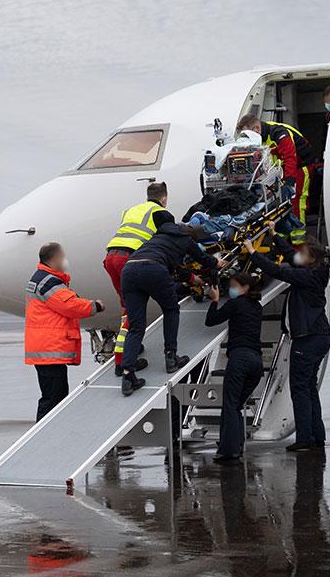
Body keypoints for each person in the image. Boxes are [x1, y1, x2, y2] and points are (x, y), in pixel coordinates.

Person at [243, 231, 330, 451]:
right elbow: (291, 257)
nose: (299, 255)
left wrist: (253, 252)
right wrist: (275, 235)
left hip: (307, 340)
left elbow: (277, 270)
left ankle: (304, 439)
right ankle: (316, 435)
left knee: (300, 389)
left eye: (304, 253)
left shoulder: (307, 277)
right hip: (318, 336)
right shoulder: (315, 271)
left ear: (312, 259)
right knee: (309, 387)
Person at [120, 223, 224, 396]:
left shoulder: (157, 237)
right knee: (171, 310)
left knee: (136, 326)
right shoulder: (185, 238)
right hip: (153, 269)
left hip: (129, 271)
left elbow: (175, 266)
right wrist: (217, 262)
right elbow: (202, 258)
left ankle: (128, 375)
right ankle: (171, 357)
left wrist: (192, 279)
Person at [25, 242, 105, 421]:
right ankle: (43, 436)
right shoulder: (48, 281)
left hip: (46, 350)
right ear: (54, 259)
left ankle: (47, 433)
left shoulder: (43, 278)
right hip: (49, 350)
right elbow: (69, 305)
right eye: (62, 257)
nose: (65, 261)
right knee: (53, 398)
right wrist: (95, 306)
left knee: (54, 396)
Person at [103, 182, 173, 375]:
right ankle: (122, 363)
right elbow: (169, 241)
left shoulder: (131, 210)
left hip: (111, 257)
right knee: (134, 312)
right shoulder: (160, 213)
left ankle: (126, 351)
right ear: (164, 198)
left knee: (127, 307)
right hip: (131, 259)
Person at [204, 272, 264, 463]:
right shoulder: (258, 306)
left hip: (240, 358)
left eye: (234, 285)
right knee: (237, 405)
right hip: (256, 361)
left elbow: (211, 320)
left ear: (245, 287)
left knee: (230, 405)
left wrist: (214, 300)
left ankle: (229, 452)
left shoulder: (236, 304)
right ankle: (236, 445)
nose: (231, 289)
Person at [235, 114, 315, 246]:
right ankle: (281, 238)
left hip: (301, 165)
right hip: (282, 168)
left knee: (297, 201)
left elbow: (290, 157)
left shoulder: (279, 133)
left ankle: (299, 242)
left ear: (256, 128)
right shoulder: (260, 138)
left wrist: (290, 182)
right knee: (278, 202)